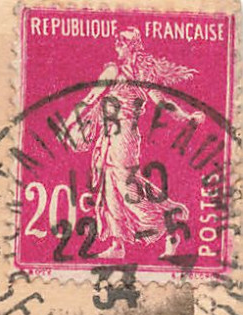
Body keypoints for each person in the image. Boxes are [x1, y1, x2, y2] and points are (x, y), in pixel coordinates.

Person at [68, 28, 203, 260]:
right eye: (116, 41)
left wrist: (187, 117)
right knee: (109, 187)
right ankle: (118, 245)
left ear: (132, 46)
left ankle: (168, 224)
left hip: (125, 138)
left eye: (121, 42)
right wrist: (68, 124)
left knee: (125, 186)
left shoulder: (141, 74)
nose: (116, 45)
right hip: (107, 137)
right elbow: (89, 99)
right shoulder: (112, 70)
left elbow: (163, 103)